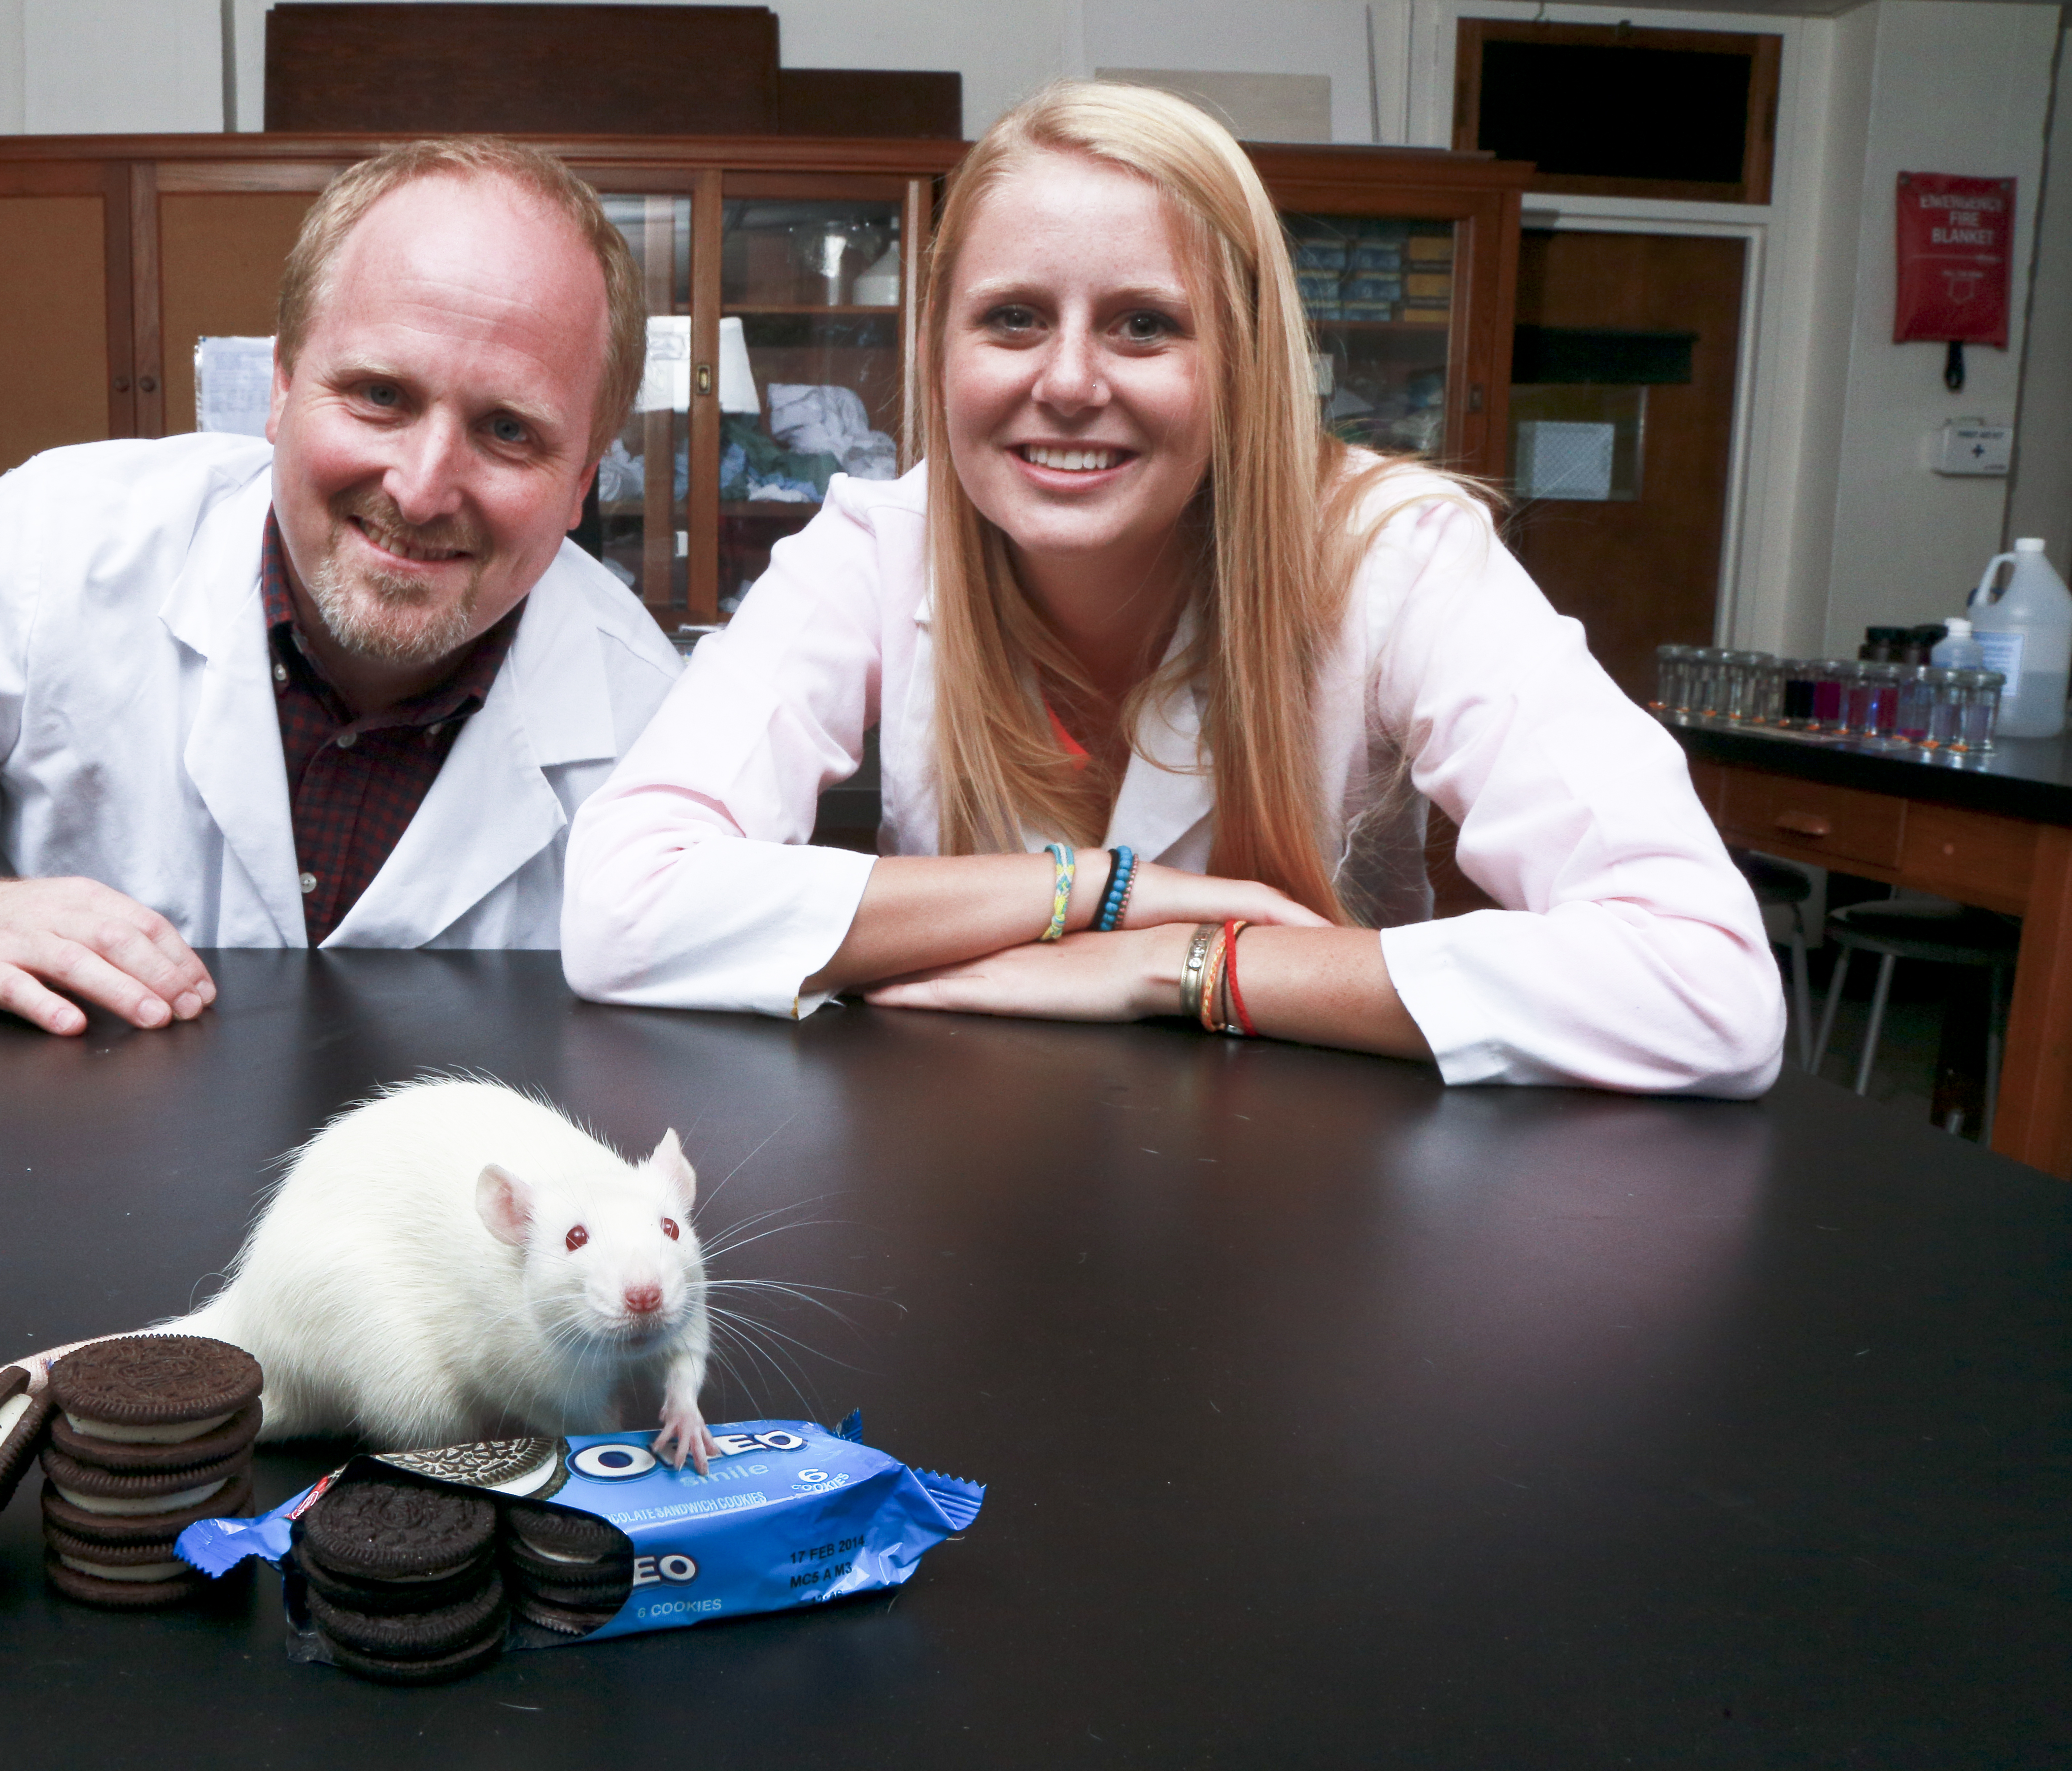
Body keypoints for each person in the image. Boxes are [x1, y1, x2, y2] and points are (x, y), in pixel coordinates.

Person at [562, 83, 1782, 1096]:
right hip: (965, 1178)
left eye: (1144, 324)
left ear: (1241, 360)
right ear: (938, 349)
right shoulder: (880, 543)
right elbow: (625, 903)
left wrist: (1182, 966)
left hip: (1310, 1205)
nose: (1069, 379)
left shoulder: (1394, 553)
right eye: (1012, 319)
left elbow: (1703, 983)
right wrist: (1093, 893)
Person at [0, 140, 680, 1037]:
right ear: (276, 389)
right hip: (62, 1192)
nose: (420, 484)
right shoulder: (61, 546)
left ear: (583, 478)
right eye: (376, 394)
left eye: (509, 431)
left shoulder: (657, 727)